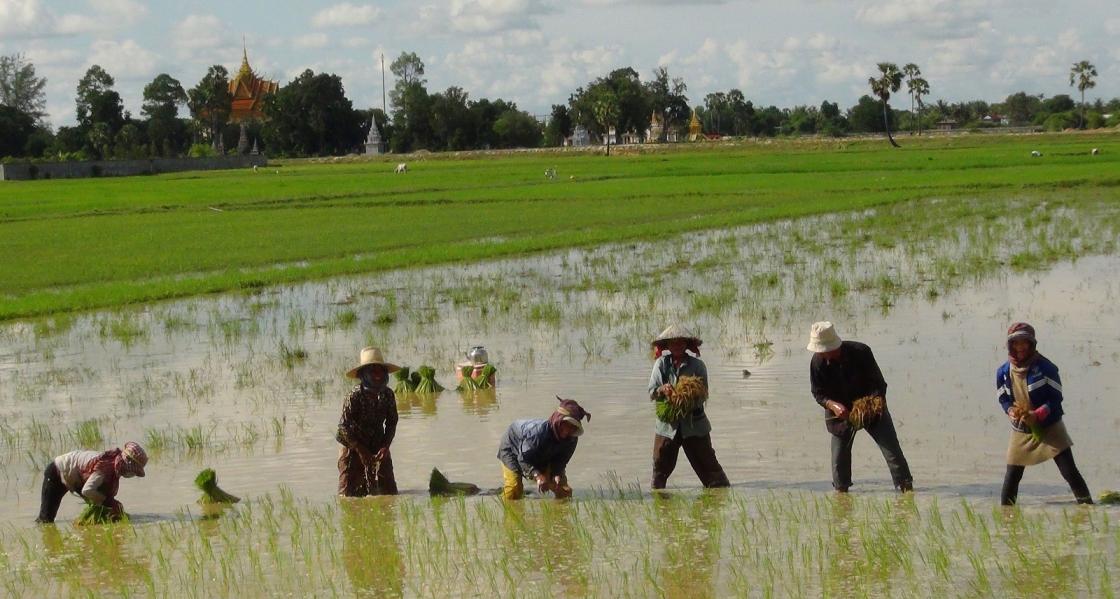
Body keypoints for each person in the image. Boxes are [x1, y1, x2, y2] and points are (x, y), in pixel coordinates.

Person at [807, 321, 913, 493]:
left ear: (835, 344)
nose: (823, 354)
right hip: (840, 414)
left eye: (826, 350)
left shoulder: (861, 352)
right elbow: (818, 394)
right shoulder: (817, 363)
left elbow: (879, 385)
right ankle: (842, 499)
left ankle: (906, 490)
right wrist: (833, 406)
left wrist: (869, 405)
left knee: (892, 452)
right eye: (820, 351)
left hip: (870, 408)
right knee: (838, 462)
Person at [997, 322, 1092, 505]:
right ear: (1010, 345)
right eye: (1016, 343)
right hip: (1021, 430)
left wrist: (1038, 414)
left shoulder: (1047, 368)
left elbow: (1056, 400)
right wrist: (1011, 412)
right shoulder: (1002, 372)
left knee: (1069, 472)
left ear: (1032, 344)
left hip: (1050, 427)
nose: (1020, 347)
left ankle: (1087, 508)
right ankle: (1006, 517)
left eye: (1025, 342)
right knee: (1011, 479)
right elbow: (1004, 400)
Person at [647, 325, 730, 490]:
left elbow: (703, 394)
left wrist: (686, 398)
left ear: (687, 345)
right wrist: (663, 389)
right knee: (659, 469)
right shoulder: (661, 364)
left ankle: (719, 499)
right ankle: (660, 506)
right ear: (667, 346)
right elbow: (652, 392)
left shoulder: (698, 366)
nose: (677, 346)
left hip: (694, 425)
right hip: (667, 426)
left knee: (709, 468)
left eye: (681, 342)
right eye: (673, 343)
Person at [498, 397, 591, 500]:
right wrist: (538, 476)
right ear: (557, 420)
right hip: (513, 448)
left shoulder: (571, 439)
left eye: (572, 428)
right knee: (514, 488)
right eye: (565, 425)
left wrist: (557, 474)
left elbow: (561, 461)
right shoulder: (537, 434)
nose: (567, 431)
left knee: (563, 490)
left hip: (541, 453)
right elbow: (522, 459)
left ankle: (560, 514)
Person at [337, 347, 400, 497]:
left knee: (389, 493)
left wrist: (385, 446)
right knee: (348, 495)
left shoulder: (388, 395)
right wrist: (360, 450)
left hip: (378, 443)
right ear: (363, 375)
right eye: (373, 371)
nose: (378, 375)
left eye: (381, 371)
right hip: (352, 444)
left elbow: (392, 422)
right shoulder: (355, 396)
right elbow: (343, 427)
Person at [35, 441, 148, 523]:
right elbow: (87, 491)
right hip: (56, 472)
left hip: (73, 477)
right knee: (45, 519)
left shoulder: (114, 464)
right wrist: (109, 502)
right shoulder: (105, 468)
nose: (132, 475)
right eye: (134, 472)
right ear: (128, 466)